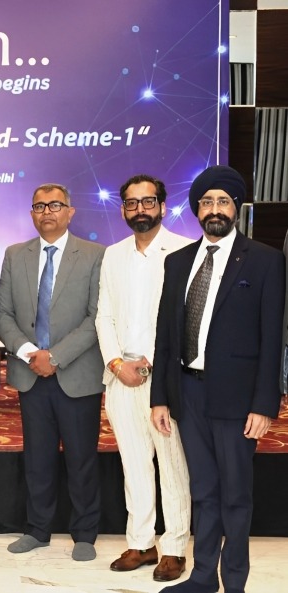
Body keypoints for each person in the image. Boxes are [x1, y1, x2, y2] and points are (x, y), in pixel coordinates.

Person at [151, 165, 285, 593]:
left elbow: (273, 338)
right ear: (196, 209)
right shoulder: (177, 262)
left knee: (235, 496)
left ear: (235, 207)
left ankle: (235, 582)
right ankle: (203, 577)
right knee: (204, 491)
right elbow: (165, 335)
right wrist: (159, 397)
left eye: (223, 201)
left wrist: (264, 404)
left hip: (237, 399)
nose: (214, 209)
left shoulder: (265, 260)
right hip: (187, 392)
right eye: (206, 201)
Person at [0, 183, 105, 561]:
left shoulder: (94, 255)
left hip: (77, 374)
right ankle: (37, 530)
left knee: (81, 459)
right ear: (31, 214)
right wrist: (31, 354)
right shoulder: (15, 255)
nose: (47, 212)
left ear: (70, 212)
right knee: (37, 459)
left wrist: (55, 357)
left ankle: (85, 533)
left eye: (55, 205)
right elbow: (3, 314)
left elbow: (96, 317)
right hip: (31, 374)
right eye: (40, 206)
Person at [96, 175, 192, 581]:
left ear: (163, 207)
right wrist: (117, 363)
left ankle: (175, 547)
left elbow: (184, 320)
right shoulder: (113, 254)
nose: (140, 209)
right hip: (121, 376)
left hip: (163, 377)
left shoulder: (184, 251)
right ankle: (141, 542)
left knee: (172, 465)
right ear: (123, 209)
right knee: (133, 464)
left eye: (148, 201)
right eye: (132, 203)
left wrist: (150, 364)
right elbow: (104, 315)